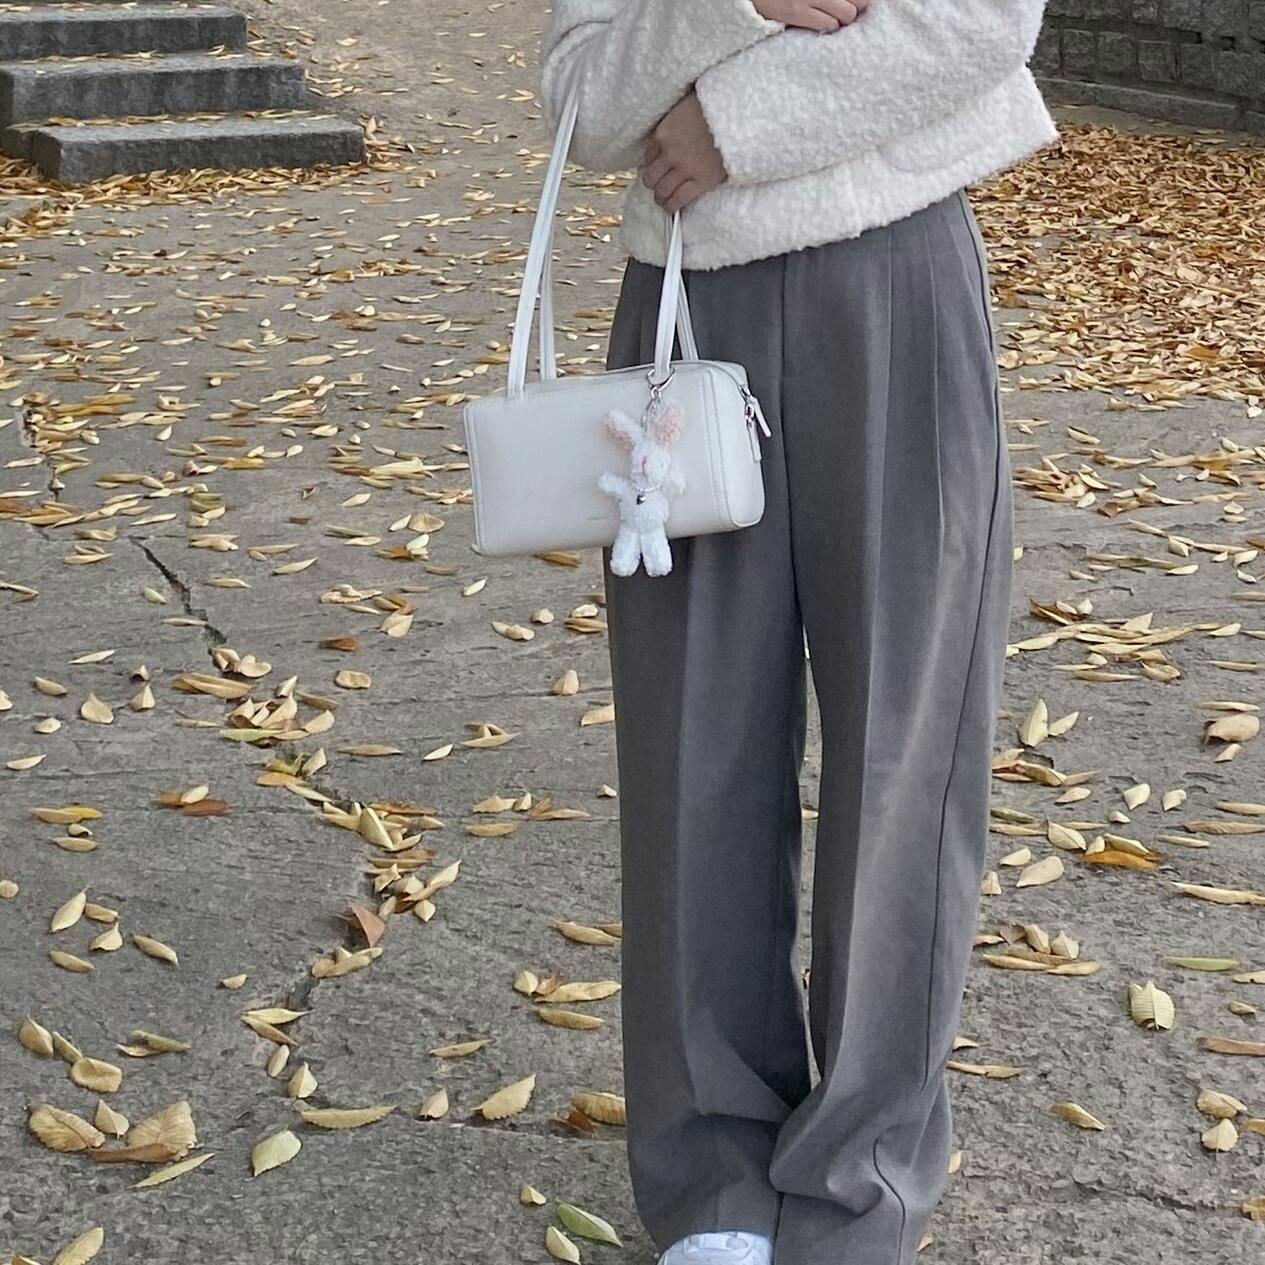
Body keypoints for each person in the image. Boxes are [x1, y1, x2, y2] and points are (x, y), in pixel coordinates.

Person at [537, 3, 1058, 1263]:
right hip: (680, 309)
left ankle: (858, 1183)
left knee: (905, 738)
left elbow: (980, 21)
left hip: (895, 278)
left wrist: (736, 121)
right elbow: (581, 96)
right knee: (689, 745)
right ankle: (711, 1177)